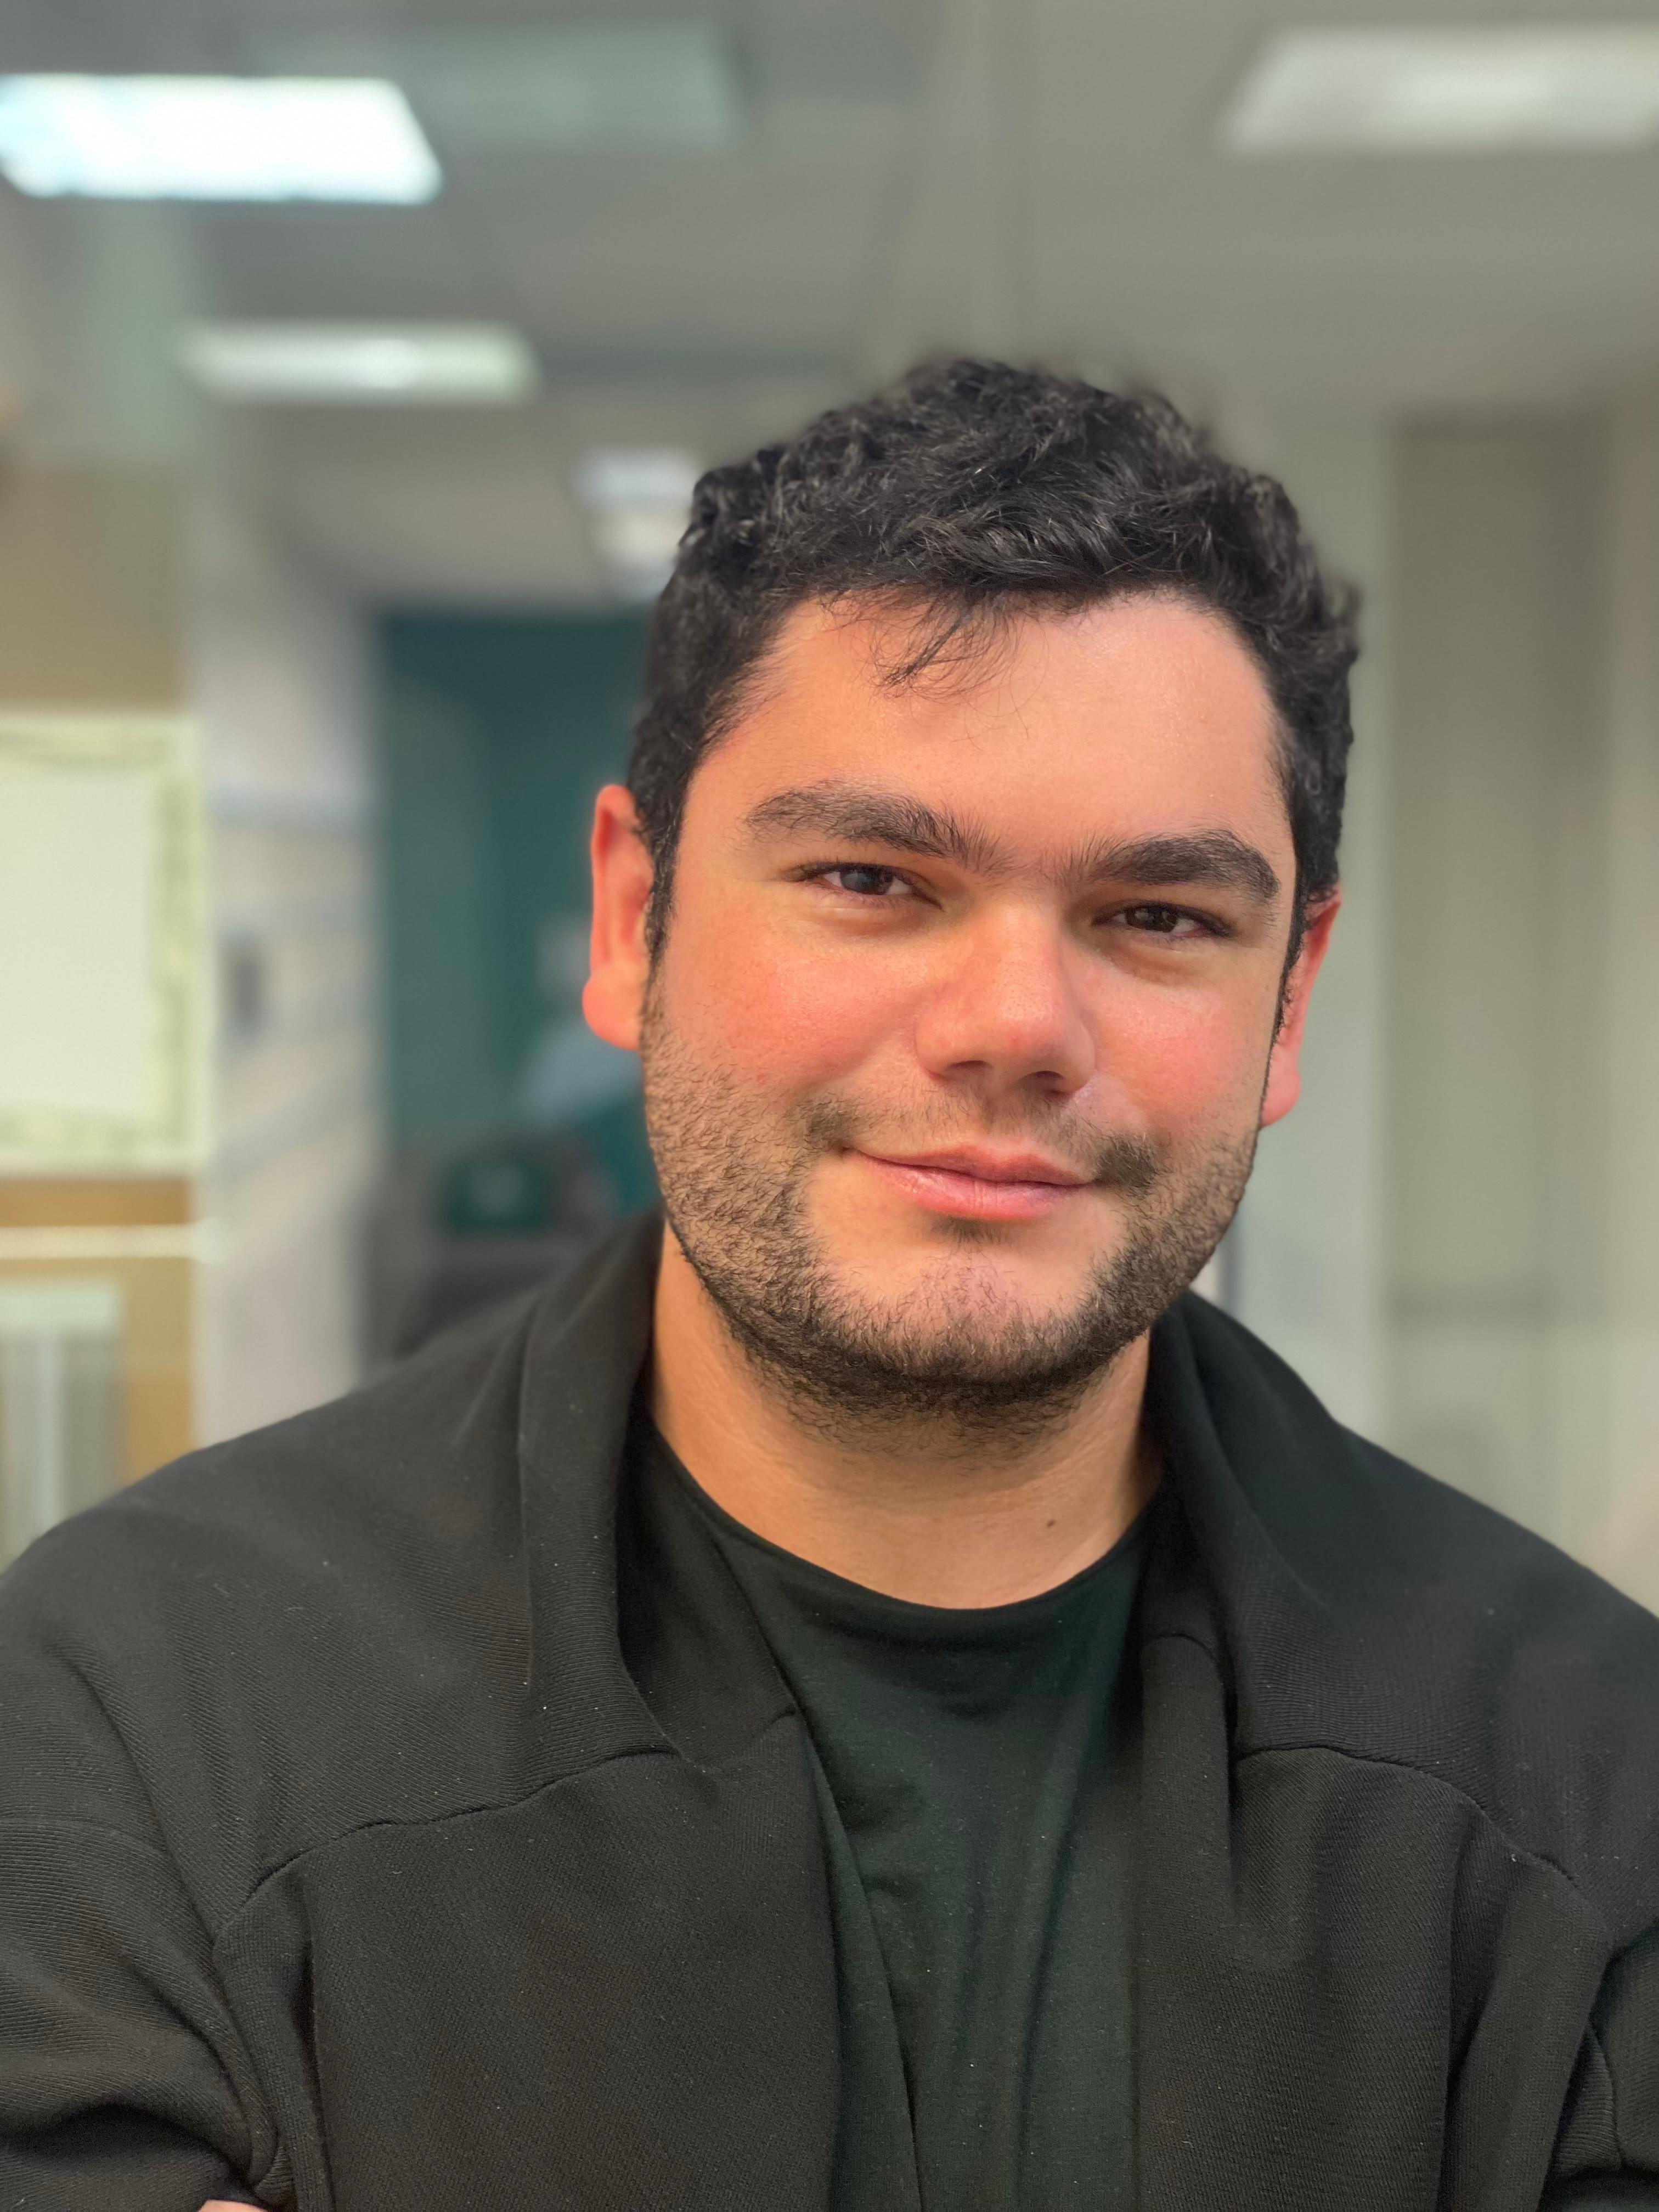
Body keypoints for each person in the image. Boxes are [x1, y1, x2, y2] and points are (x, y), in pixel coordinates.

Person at [1, 360, 1655, 2212]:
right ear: (638, 921)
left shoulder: (1591, 1783)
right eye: (873, 879)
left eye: (1160, 919)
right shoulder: (142, 1716)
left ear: (1291, 995)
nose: (1016, 1028)